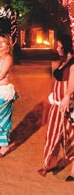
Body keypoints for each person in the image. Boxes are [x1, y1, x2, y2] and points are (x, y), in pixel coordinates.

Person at [39, 32, 74, 181]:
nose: (58, 49)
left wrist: (67, 96)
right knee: (52, 133)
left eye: (60, 46)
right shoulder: (64, 60)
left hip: (67, 105)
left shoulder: (72, 62)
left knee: (71, 137)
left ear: (67, 46)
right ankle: (50, 163)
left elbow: (72, 81)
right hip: (57, 104)